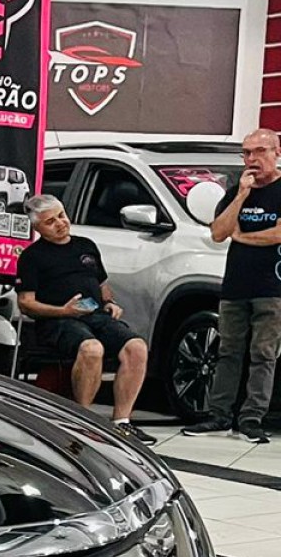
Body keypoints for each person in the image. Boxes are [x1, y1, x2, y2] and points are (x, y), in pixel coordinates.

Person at [15, 195, 154, 444]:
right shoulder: (32, 257)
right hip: (58, 320)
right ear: (37, 227)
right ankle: (83, 421)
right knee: (92, 349)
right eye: (50, 221)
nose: (60, 223)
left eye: (61, 216)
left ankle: (122, 422)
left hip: (96, 315)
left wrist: (110, 303)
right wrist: (64, 311)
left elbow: (102, 286)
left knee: (137, 347)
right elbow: (26, 303)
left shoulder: (86, 246)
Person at [185, 127, 281, 444]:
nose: (252, 159)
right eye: (247, 153)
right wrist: (241, 195)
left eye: (260, 151)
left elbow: (277, 234)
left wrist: (241, 236)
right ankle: (219, 415)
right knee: (228, 351)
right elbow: (218, 232)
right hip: (235, 286)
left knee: (263, 353)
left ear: (277, 153)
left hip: (273, 287)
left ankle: (252, 419)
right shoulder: (236, 191)